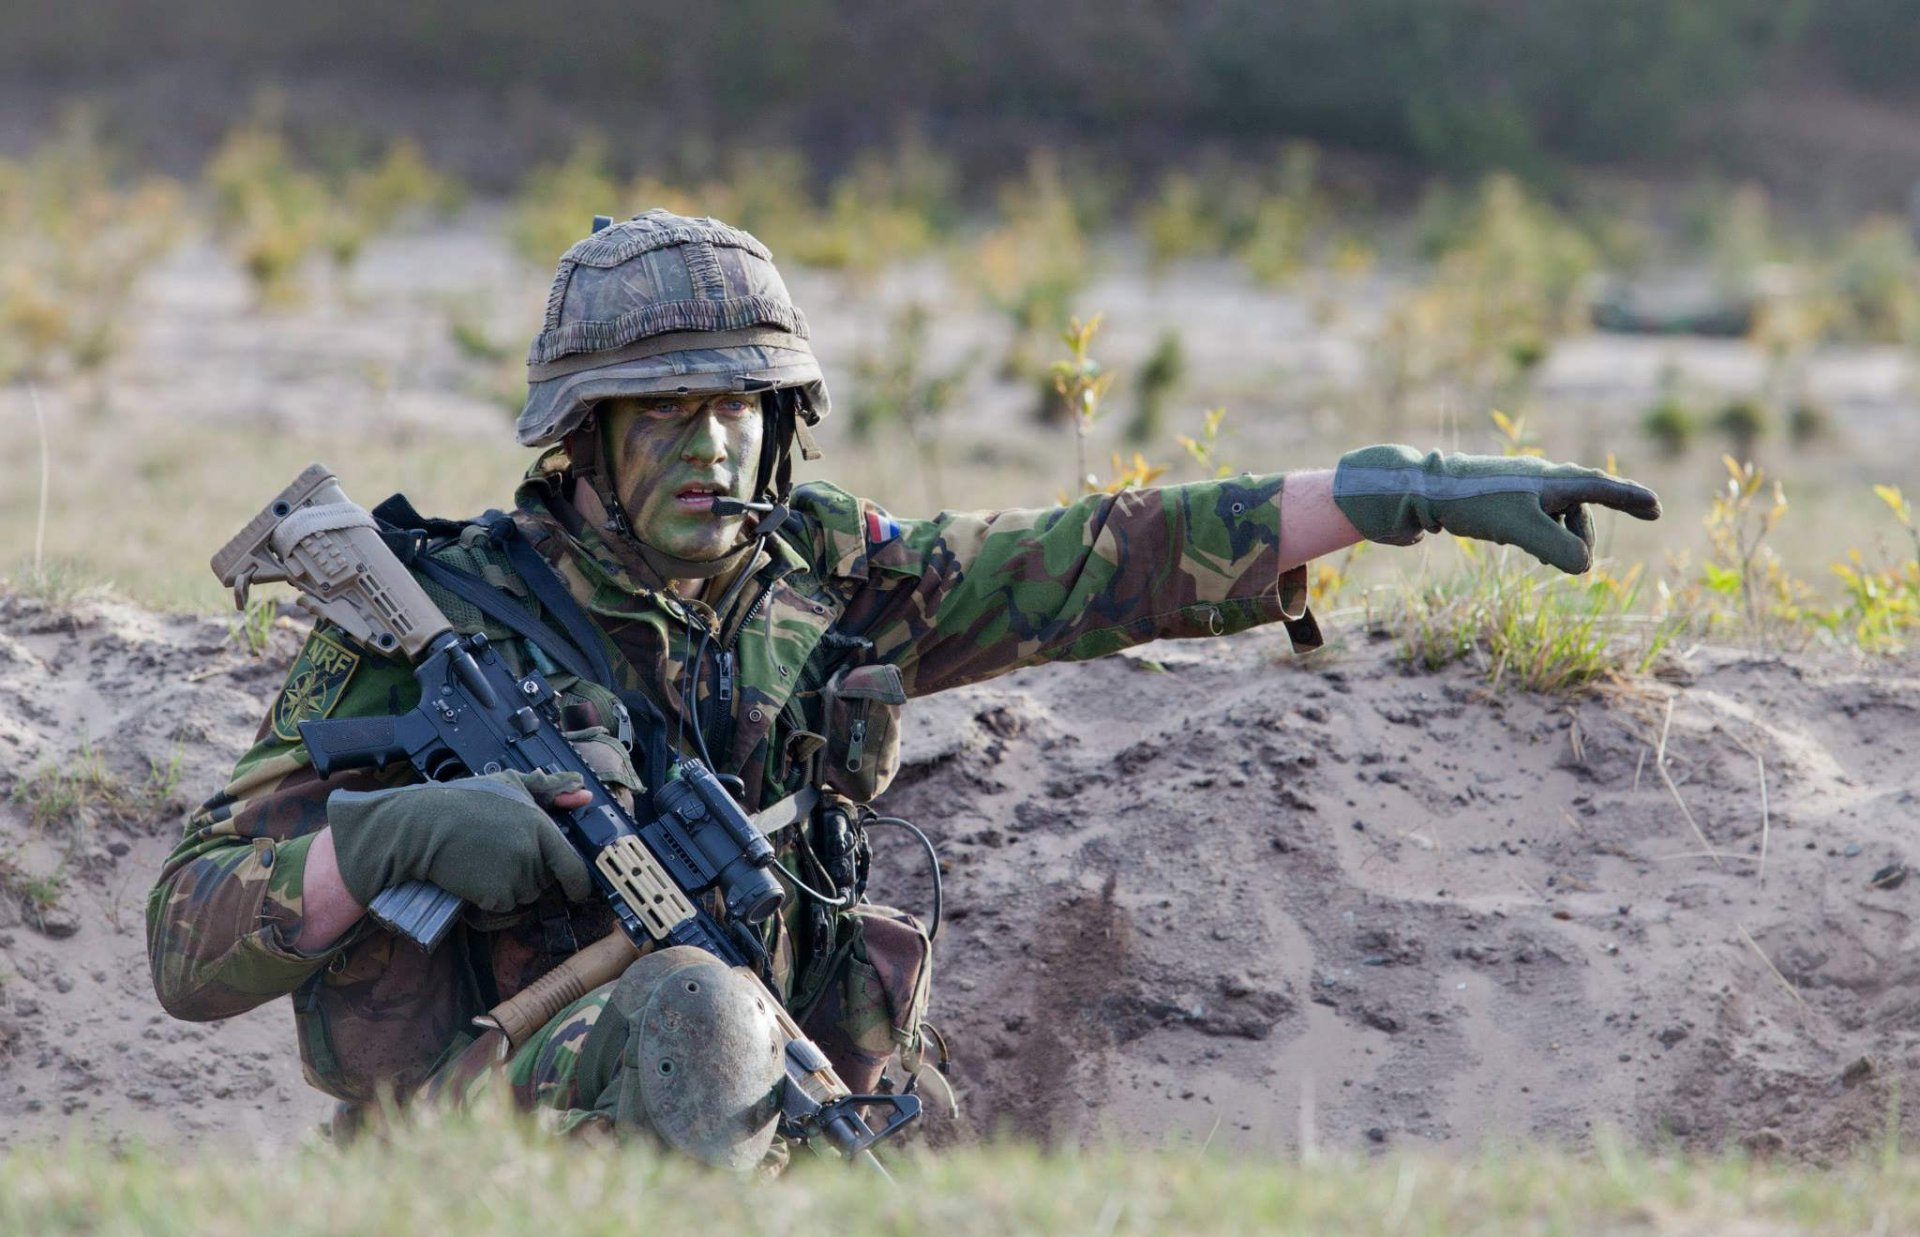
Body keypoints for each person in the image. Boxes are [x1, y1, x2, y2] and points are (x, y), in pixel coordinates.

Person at [146, 210, 1660, 1167]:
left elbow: (1100, 559)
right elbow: (185, 940)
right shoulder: (435, 624)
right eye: (664, 411)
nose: (712, 448)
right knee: (692, 1012)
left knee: (888, 1126)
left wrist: (1393, 493)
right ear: (581, 439)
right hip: (487, 1145)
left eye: (743, 407)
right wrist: (390, 845)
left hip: (780, 1115)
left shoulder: (822, 580)